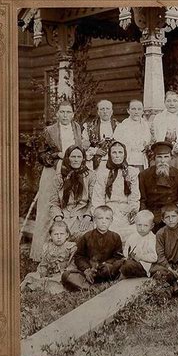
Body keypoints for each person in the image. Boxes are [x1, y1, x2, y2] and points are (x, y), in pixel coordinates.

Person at [31, 100, 83, 261]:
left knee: (69, 204)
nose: (65, 115)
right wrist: (56, 155)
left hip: (72, 171)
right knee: (49, 206)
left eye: (68, 112)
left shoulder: (77, 128)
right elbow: (40, 155)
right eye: (62, 112)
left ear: (73, 114)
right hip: (52, 170)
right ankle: (43, 252)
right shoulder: (49, 131)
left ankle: (66, 250)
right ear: (58, 114)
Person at [61, 205, 123, 291]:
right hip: (89, 271)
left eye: (107, 219)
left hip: (105, 271)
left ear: (111, 221)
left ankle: (97, 284)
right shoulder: (87, 236)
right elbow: (79, 257)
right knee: (66, 275)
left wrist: (105, 264)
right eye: (100, 218)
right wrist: (86, 270)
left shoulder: (115, 237)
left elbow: (118, 257)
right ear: (94, 220)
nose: (103, 222)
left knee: (110, 269)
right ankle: (91, 287)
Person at [91, 141, 140, 242]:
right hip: (108, 211)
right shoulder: (103, 173)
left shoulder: (132, 172)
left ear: (125, 154)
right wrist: (101, 215)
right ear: (109, 154)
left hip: (126, 210)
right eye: (114, 152)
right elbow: (98, 197)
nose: (117, 156)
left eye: (120, 152)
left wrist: (133, 212)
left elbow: (134, 197)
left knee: (134, 231)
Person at [49, 145, 96, 241]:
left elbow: (93, 200)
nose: (76, 160)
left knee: (86, 238)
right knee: (57, 237)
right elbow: (53, 203)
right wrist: (58, 217)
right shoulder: (59, 178)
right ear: (67, 158)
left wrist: (88, 216)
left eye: (79, 157)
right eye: (73, 157)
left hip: (82, 216)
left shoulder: (90, 176)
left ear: (83, 159)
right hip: (64, 215)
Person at [138, 142, 178, 231]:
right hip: (152, 211)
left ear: (171, 158)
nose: (163, 161)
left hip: (170, 211)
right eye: (159, 157)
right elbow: (143, 199)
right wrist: (143, 216)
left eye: (166, 157)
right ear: (154, 159)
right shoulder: (144, 175)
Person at [21, 221, 77, 294]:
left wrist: (65, 273)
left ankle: (46, 286)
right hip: (49, 274)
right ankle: (40, 283)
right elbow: (43, 264)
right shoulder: (47, 247)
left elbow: (72, 264)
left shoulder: (71, 247)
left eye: (62, 234)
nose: (59, 237)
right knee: (30, 276)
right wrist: (42, 272)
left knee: (56, 281)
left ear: (67, 235)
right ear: (50, 236)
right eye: (56, 234)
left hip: (62, 275)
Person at [150, 90, 178, 169]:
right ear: (164, 102)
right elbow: (153, 139)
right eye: (169, 101)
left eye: (174, 101)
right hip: (163, 153)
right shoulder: (158, 119)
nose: (172, 104)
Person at [113, 99, 151, 172]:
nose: (136, 112)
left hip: (142, 161)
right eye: (133, 109)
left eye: (139, 109)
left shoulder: (147, 126)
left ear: (142, 111)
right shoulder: (121, 127)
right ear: (128, 110)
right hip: (127, 161)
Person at [119, 210, 157, 278]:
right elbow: (126, 248)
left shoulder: (152, 238)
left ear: (152, 226)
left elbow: (154, 257)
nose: (142, 228)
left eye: (146, 225)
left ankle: (125, 273)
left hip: (143, 265)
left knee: (128, 265)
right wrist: (127, 255)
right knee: (119, 262)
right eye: (139, 225)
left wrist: (140, 257)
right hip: (131, 260)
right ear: (135, 224)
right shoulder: (133, 236)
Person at [83, 99, 118, 170]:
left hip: (114, 162)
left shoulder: (119, 126)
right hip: (95, 162)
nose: (105, 111)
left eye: (107, 109)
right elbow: (83, 145)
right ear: (98, 112)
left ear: (111, 112)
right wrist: (95, 151)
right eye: (102, 109)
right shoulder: (89, 127)